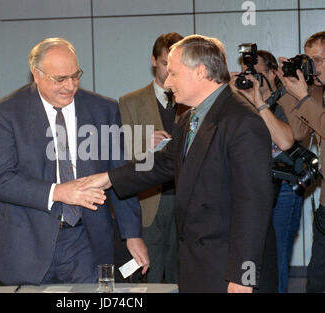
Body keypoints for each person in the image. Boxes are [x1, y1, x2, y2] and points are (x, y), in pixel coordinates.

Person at [80, 34, 278, 293]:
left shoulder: (242, 122)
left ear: (200, 72)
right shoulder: (190, 118)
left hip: (230, 271)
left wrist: (243, 277)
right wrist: (108, 178)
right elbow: (163, 162)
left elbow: (254, 206)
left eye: (173, 73)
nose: (167, 82)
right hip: (200, 264)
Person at [0, 37, 149, 286]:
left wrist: (132, 233)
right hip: (28, 244)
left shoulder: (103, 109)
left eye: (75, 76)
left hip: (87, 241)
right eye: (59, 79)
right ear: (36, 73)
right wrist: (59, 192)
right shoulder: (5, 113)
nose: (70, 86)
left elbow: (119, 173)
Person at [230, 50, 303, 293]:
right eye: (244, 74)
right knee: (253, 256)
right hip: (251, 189)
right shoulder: (240, 104)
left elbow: (285, 141)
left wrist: (259, 102)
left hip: (282, 188)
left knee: (276, 257)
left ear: (273, 74)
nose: (249, 79)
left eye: (255, 74)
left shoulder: (287, 100)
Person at [118, 32, 187, 284]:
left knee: (185, 273)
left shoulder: (193, 100)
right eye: (165, 63)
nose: (170, 70)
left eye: (177, 64)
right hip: (149, 200)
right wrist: (144, 144)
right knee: (150, 275)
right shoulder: (129, 102)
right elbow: (119, 153)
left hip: (185, 199)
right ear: (153, 61)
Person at [277, 30, 325, 293]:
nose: (312, 66)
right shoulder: (316, 92)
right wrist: (291, 89)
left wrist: (305, 98)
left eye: (317, 59)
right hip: (324, 205)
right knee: (316, 280)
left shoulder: (313, 97)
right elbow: (295, 133)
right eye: (308, 59)